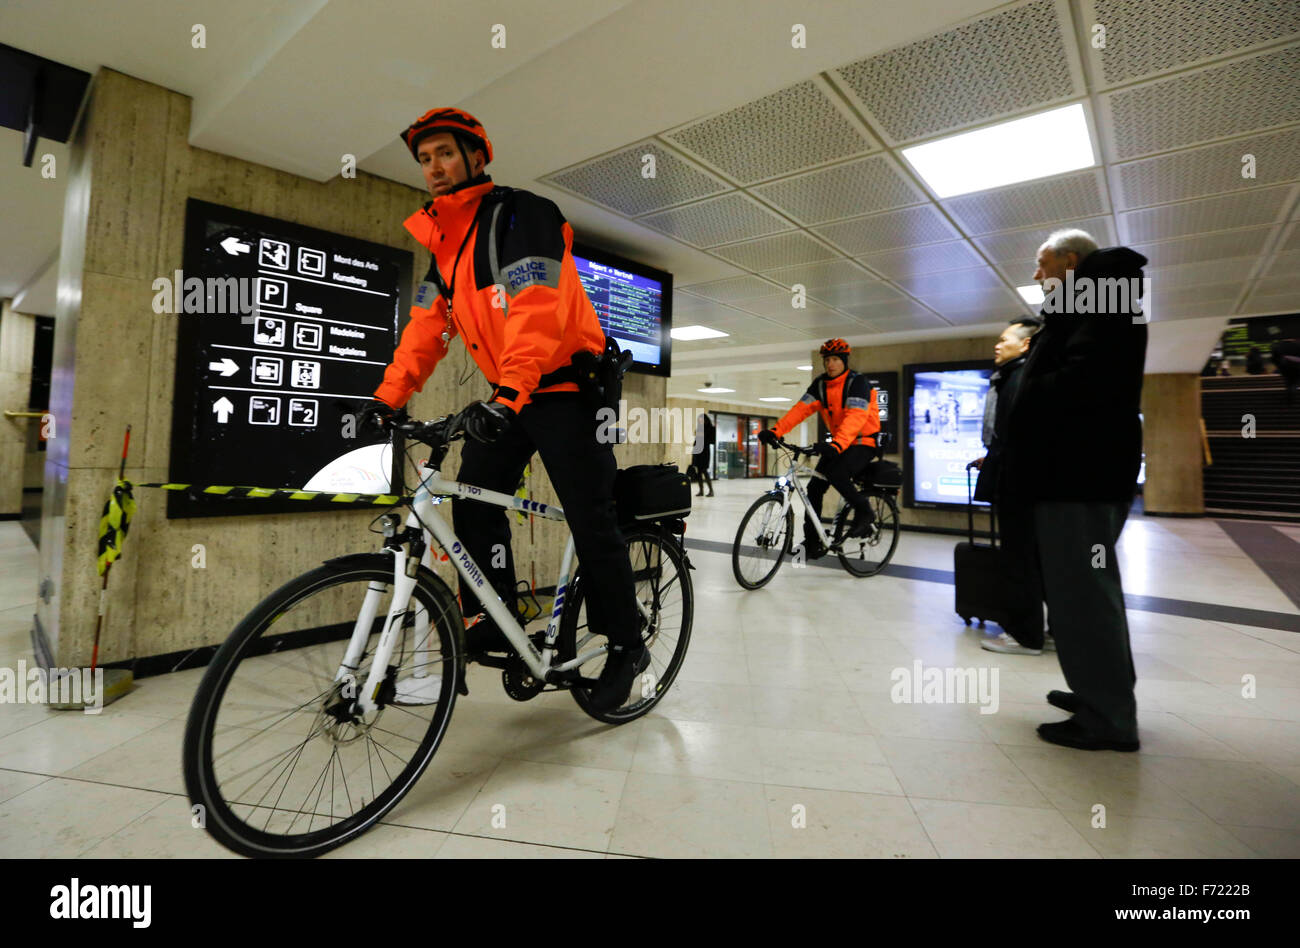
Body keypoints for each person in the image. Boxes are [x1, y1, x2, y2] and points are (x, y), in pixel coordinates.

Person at [359, 107, 644, 713]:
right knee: (472, 503)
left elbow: (537, 308)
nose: (433, 167)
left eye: (444, 154)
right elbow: (426, 329)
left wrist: (511, 390)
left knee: (592, 518)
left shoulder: (522, 215)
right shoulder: (443, 249)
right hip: (510, 395)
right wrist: (388, 396)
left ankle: (626, 645)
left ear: (476, 157)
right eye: (425, 158)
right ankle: (497, 616)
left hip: (566, 390)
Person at [999, 228, 1147, 752]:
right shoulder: (1095, 302)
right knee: (1078, 593)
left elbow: (1086, 384)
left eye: (1042, 265)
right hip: (1077, 472)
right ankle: (1097, 695)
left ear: (1070, 260)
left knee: (1082, 594)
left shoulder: (1106, 297)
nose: (1037, 276)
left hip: (1078, 475)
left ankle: (1108, 717)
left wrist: (1025, 391)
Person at [972, 317, 1052, 656]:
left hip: (1019, 485)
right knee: (1034, 560)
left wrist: (998, 463)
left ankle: (1025, 634)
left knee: (1019, 559)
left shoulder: (1017, 379)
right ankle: (1042, 630)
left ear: (1025, 345)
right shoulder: (1017, 377)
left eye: (1005, 339)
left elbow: (1016, 437)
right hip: (1024, 481)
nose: (997, 344)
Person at [758, 338, 881, 558]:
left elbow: (856, 418)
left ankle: (865, 513)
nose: (830, 364)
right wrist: (775, 431)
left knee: (836, 473)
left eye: (835, 359)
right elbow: (800, 410)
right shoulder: (821, 385)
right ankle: (813, 541)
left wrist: (837, 444)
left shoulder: (857, 383)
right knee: (814, 487)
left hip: (863, 442)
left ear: (844, 361)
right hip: (840, 444)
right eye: (827, 360)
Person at [689, 412, 715, 496]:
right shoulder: (699, 429)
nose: (700, 421)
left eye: (702, 420)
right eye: (699, 420)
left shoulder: (711, 428)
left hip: (705, 452)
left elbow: (712, 441)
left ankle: (711, 491)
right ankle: (701, 491)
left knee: (704, 471)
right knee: (698, 472)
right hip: (697, 452)